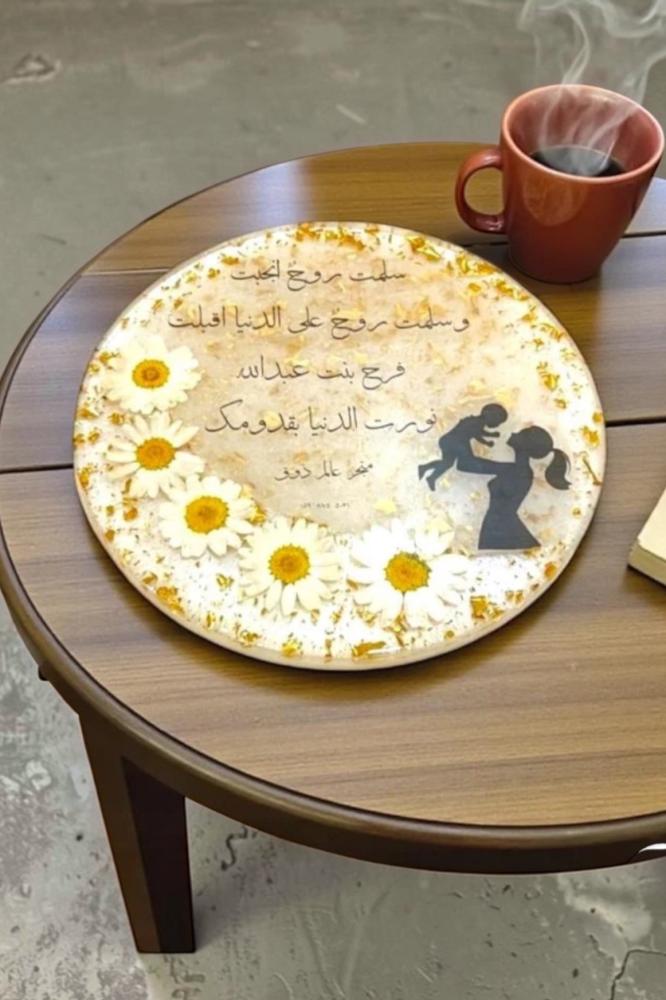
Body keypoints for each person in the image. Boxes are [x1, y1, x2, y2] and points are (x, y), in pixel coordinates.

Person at [457, 425, 570, 550]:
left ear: (526, 444)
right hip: (499, 526)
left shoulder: (517, 471)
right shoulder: (518, 469)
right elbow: (466, 464)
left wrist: (463, 434)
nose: (513, 433)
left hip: (502, 529)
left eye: (521, 433)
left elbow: (466, 464)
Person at [418, 403, 508, 492]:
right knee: (468, 462)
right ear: (492, 417)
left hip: (447, 441)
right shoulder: (477, 423)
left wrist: (492, 435)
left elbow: (479, 432)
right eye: (498, 422)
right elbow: (477, 434)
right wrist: (487, 442)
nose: (497, 425)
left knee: (447, 463)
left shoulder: (475, 421)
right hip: (457, 443)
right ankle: (429, 474)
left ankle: (428, 473)